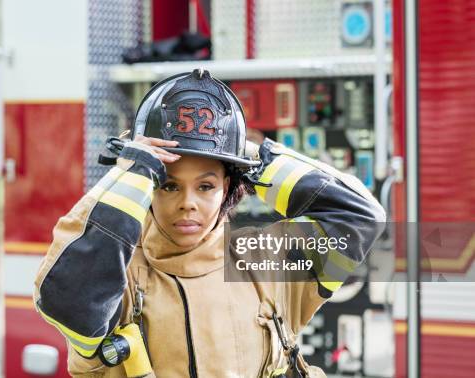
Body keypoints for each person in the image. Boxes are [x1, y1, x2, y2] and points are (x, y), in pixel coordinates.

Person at [33, 69, 385, 377]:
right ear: (147, 188)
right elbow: (65, 299)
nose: (188, 203)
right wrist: (133, 171)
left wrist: (252, 157)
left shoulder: (266, 260)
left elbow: (359, 217)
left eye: (206, 186)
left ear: (227, 187)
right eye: (168, 185)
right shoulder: (118, 277)